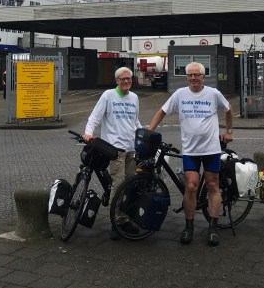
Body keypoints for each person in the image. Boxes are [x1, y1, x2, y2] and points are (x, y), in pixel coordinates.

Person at [147, 62, 233, 247]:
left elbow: (228, 109)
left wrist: (229, 132)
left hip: (211, 149)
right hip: (190, 150)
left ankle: (212, 227)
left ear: (203, 76)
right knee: (191, 186)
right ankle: (189, 226)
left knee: (212, 185)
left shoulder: (213, 94)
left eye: (197, 75)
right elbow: (162, 112)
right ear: (187, 77)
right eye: (190, 75)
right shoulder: (180, 94)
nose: (193, 78)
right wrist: (149, 131)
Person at [83, 66, 141, 240]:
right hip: (115, 149)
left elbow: (135, 121)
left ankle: (125, 217)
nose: (126, 81)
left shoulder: (134, 97)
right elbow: (95, 116)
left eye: (129, 79)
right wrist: (88, 133)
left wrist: (143, 135)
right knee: (119, 183)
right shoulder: (108, 95)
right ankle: (116, 221)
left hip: (132, 148)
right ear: (117, 81)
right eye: (123, 79)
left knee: (131, 184)